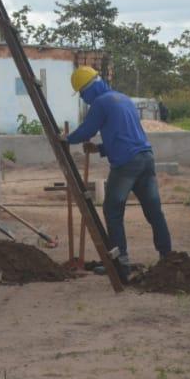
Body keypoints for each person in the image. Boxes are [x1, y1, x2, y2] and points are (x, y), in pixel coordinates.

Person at [62, 66, 171, 281]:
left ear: (89, 88)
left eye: (83, 93)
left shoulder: (101, 103)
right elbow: (125, 135)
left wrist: (66, 139)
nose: (84, 98)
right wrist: (99, 149)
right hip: (145, 159)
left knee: (112, 210)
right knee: (154, 211)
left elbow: (87, 130)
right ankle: (168, 257)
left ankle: (120, 264)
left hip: (126, 164)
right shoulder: (122, 98)